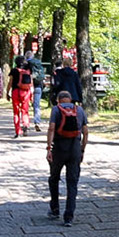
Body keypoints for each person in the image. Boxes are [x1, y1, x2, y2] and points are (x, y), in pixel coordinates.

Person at [45, 89, 86, 224]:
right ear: (71, 99)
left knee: (54, 178)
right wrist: (82, 150)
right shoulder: (79, 110)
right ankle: (69, 216)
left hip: (59, 149)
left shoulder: (56, 110)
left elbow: (51, 128)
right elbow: (86, 132)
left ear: (58, 100)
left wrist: (49, 148)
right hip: (74, 148)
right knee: (72, 182)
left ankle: (55, 208)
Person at [8, 57, 37, 138]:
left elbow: (10, 82)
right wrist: (32, 94)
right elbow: (31, 83)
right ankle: (25, 124)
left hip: (15, 92)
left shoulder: (14, 71)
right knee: (25, 111)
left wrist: (7, 92)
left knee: (16, 112)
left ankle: (18, 131)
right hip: (25, 92)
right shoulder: (28, 70)